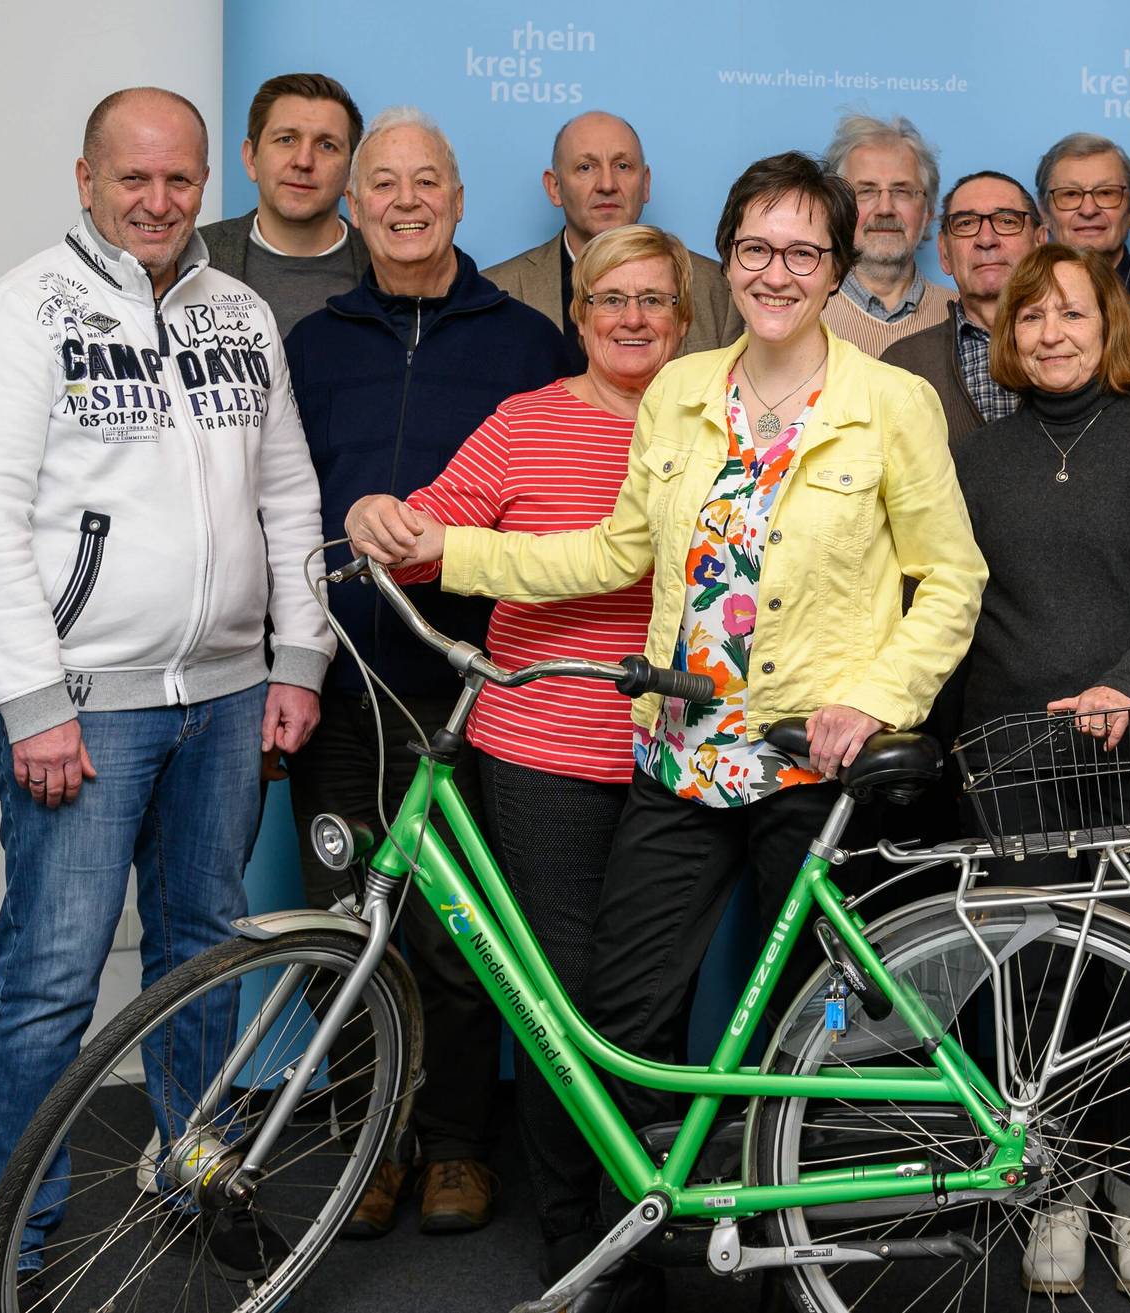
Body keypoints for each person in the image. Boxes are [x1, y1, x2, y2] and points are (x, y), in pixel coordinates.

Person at [359, 150, 986, 1302]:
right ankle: (629, 1260)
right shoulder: (684, 392)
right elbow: (614, 552)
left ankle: (806, 1261)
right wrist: (448, 547)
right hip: (682, 752)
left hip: (811, 759)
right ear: (728, 259)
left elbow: (950, 580)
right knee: (623, 1021)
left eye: (804, 251)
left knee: (807, 1037)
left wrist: (874, 701)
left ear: (835, 266)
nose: (777, 271)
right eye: (756, 247)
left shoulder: (892, 401)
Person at [0, 86, 332, 1297]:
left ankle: (193, 1164)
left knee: (201, 947)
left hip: (225, 697)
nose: (159, 204)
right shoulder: (22, 316)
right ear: (87, 179)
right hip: (85, 705)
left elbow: (290, 494)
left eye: (180, 181)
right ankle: (11, 1242)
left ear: (205, 182)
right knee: (53, 979)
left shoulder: (241, 314)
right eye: (134, 180)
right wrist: (33, 701)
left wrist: (297, 657)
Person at [342, 223, 683, 1288]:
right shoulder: (524, 421)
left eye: (654, 301)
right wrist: (371, 511)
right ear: (579, 315)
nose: (632, 318)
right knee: (556, 989)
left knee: (649, 998)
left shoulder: (716, 421)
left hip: (681, 747)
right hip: (540, 749)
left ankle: (643, 1207)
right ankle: (573, 1229)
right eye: (611, 299)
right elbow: (424, 525)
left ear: (684, 318)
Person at [284, 106, 573, 1240]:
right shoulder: (311, 344)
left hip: (471, 686)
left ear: (459, 201)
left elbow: (556, 508)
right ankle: (372, 1142)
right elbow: (280, 507)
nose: (406, 201)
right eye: (384, 185)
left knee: (459, 936)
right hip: (343, 680)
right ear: (354, 206)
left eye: (428, 183)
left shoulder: (525, 339)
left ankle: (455, 1143)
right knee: (347, 919)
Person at [955, 243, 1130, 1295]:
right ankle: (1053, 1190)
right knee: (1031, 989)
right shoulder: (972, 462)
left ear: (1111, 328)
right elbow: (948, 607)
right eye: (1031, 317)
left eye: (1073, 313)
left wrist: (1124, 685)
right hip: (1013, 761)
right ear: (1007, 338)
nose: (1052, 333)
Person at [483, 110, 740, 369]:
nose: (607, 184)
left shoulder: (716, 289)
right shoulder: (497, 291)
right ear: (554, 187)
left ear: (646, 183)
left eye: (622, 166)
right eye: (586, 167)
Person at [880, 170, 1047, 444]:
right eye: (966, 223)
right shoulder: (901, 366)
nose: (986, 240)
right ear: (945, 253)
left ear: (1040, 242)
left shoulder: (1080, 349)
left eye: (1007, 221)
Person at [199, 72, 370, 334]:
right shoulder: (193, 258)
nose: (303, 160)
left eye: (326, 145)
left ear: (351, 173)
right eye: (286, 139)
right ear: (251, 158)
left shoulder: (385, 265)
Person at [821, 113, 951, 355]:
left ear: (929, 212)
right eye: (866, 191)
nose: (885, 209)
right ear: (837, 209)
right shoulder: (801, 314)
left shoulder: (958, 316)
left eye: (902, 191)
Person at [1035, 132, 1130, 296]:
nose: (1089, 210)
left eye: (1106, 193)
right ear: (1044, 212)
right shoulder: (1023, 291)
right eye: (1070, 194)